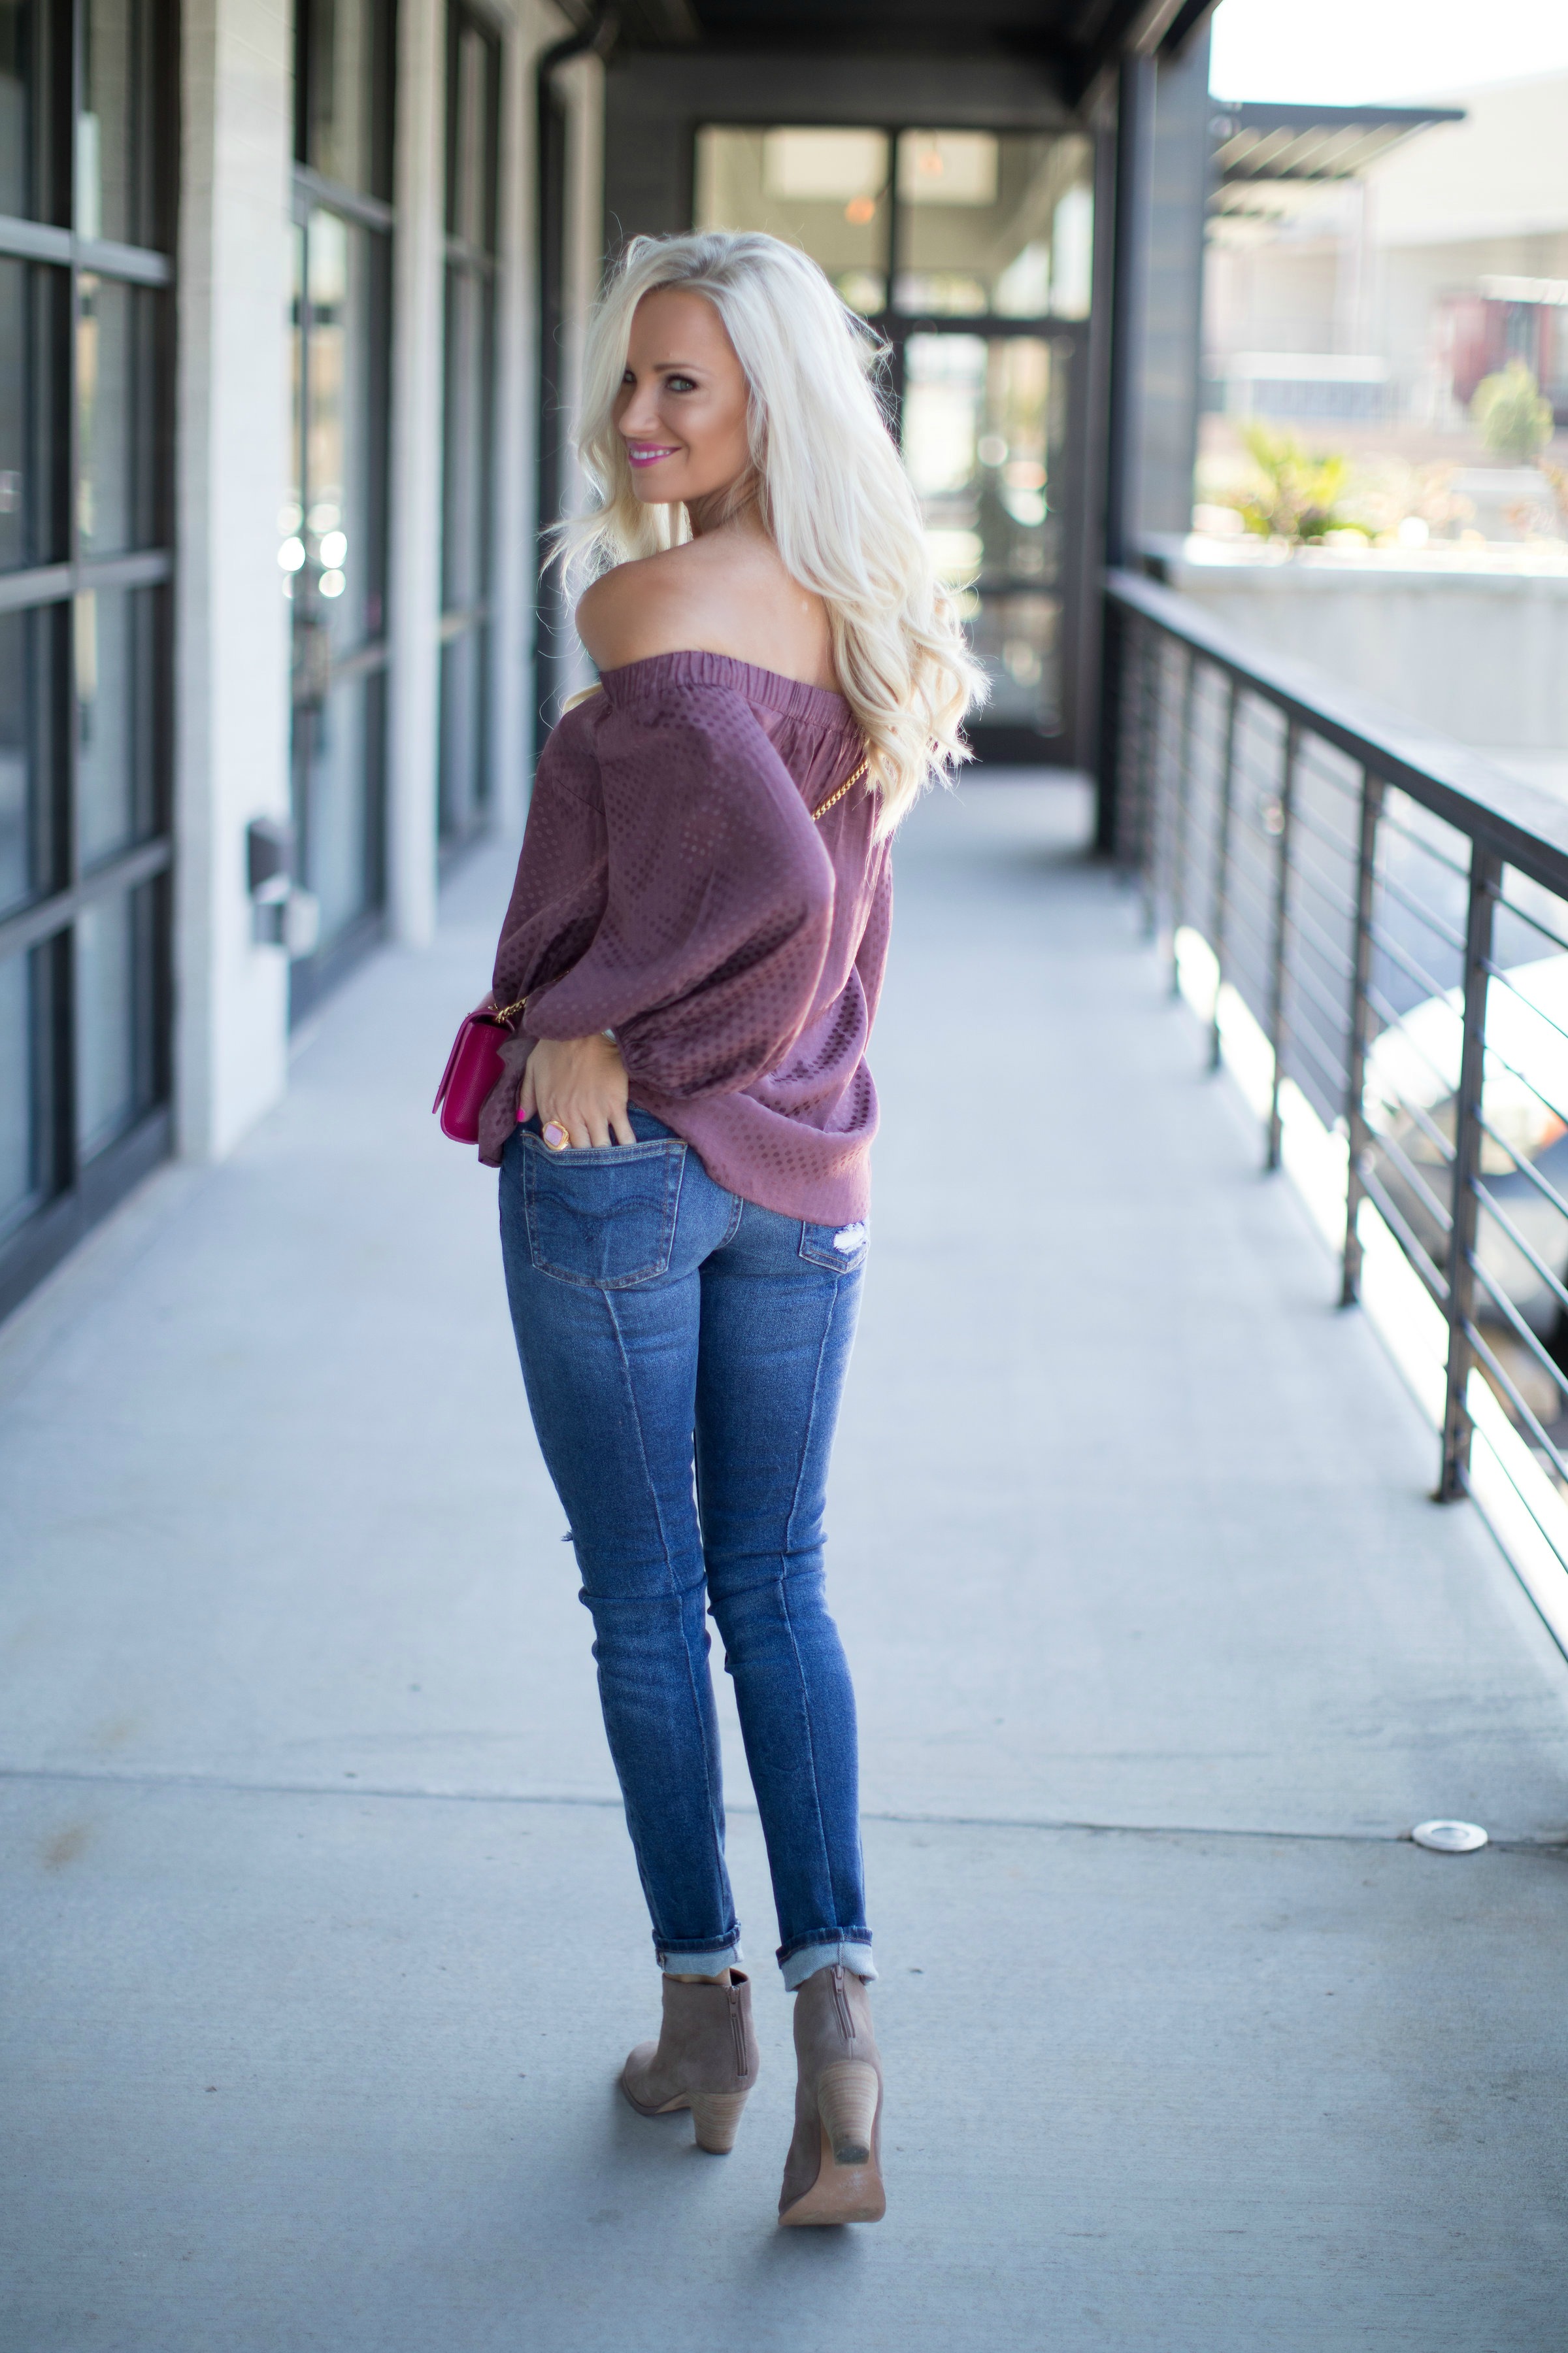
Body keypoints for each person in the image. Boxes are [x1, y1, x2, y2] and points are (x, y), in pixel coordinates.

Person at [477, 229, 982, 2226]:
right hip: (809, 1166)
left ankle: (706, 2022)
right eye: (630, 380)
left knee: (643, 1600)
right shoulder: (859, 612)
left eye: (684, 382)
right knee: (778, 1586)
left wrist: (597, 1019)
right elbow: (820, 896)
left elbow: (761, 879)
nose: (637, 417)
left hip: (631, 1164)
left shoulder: (645, 600)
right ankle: (839, 2032)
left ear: (773, 396)